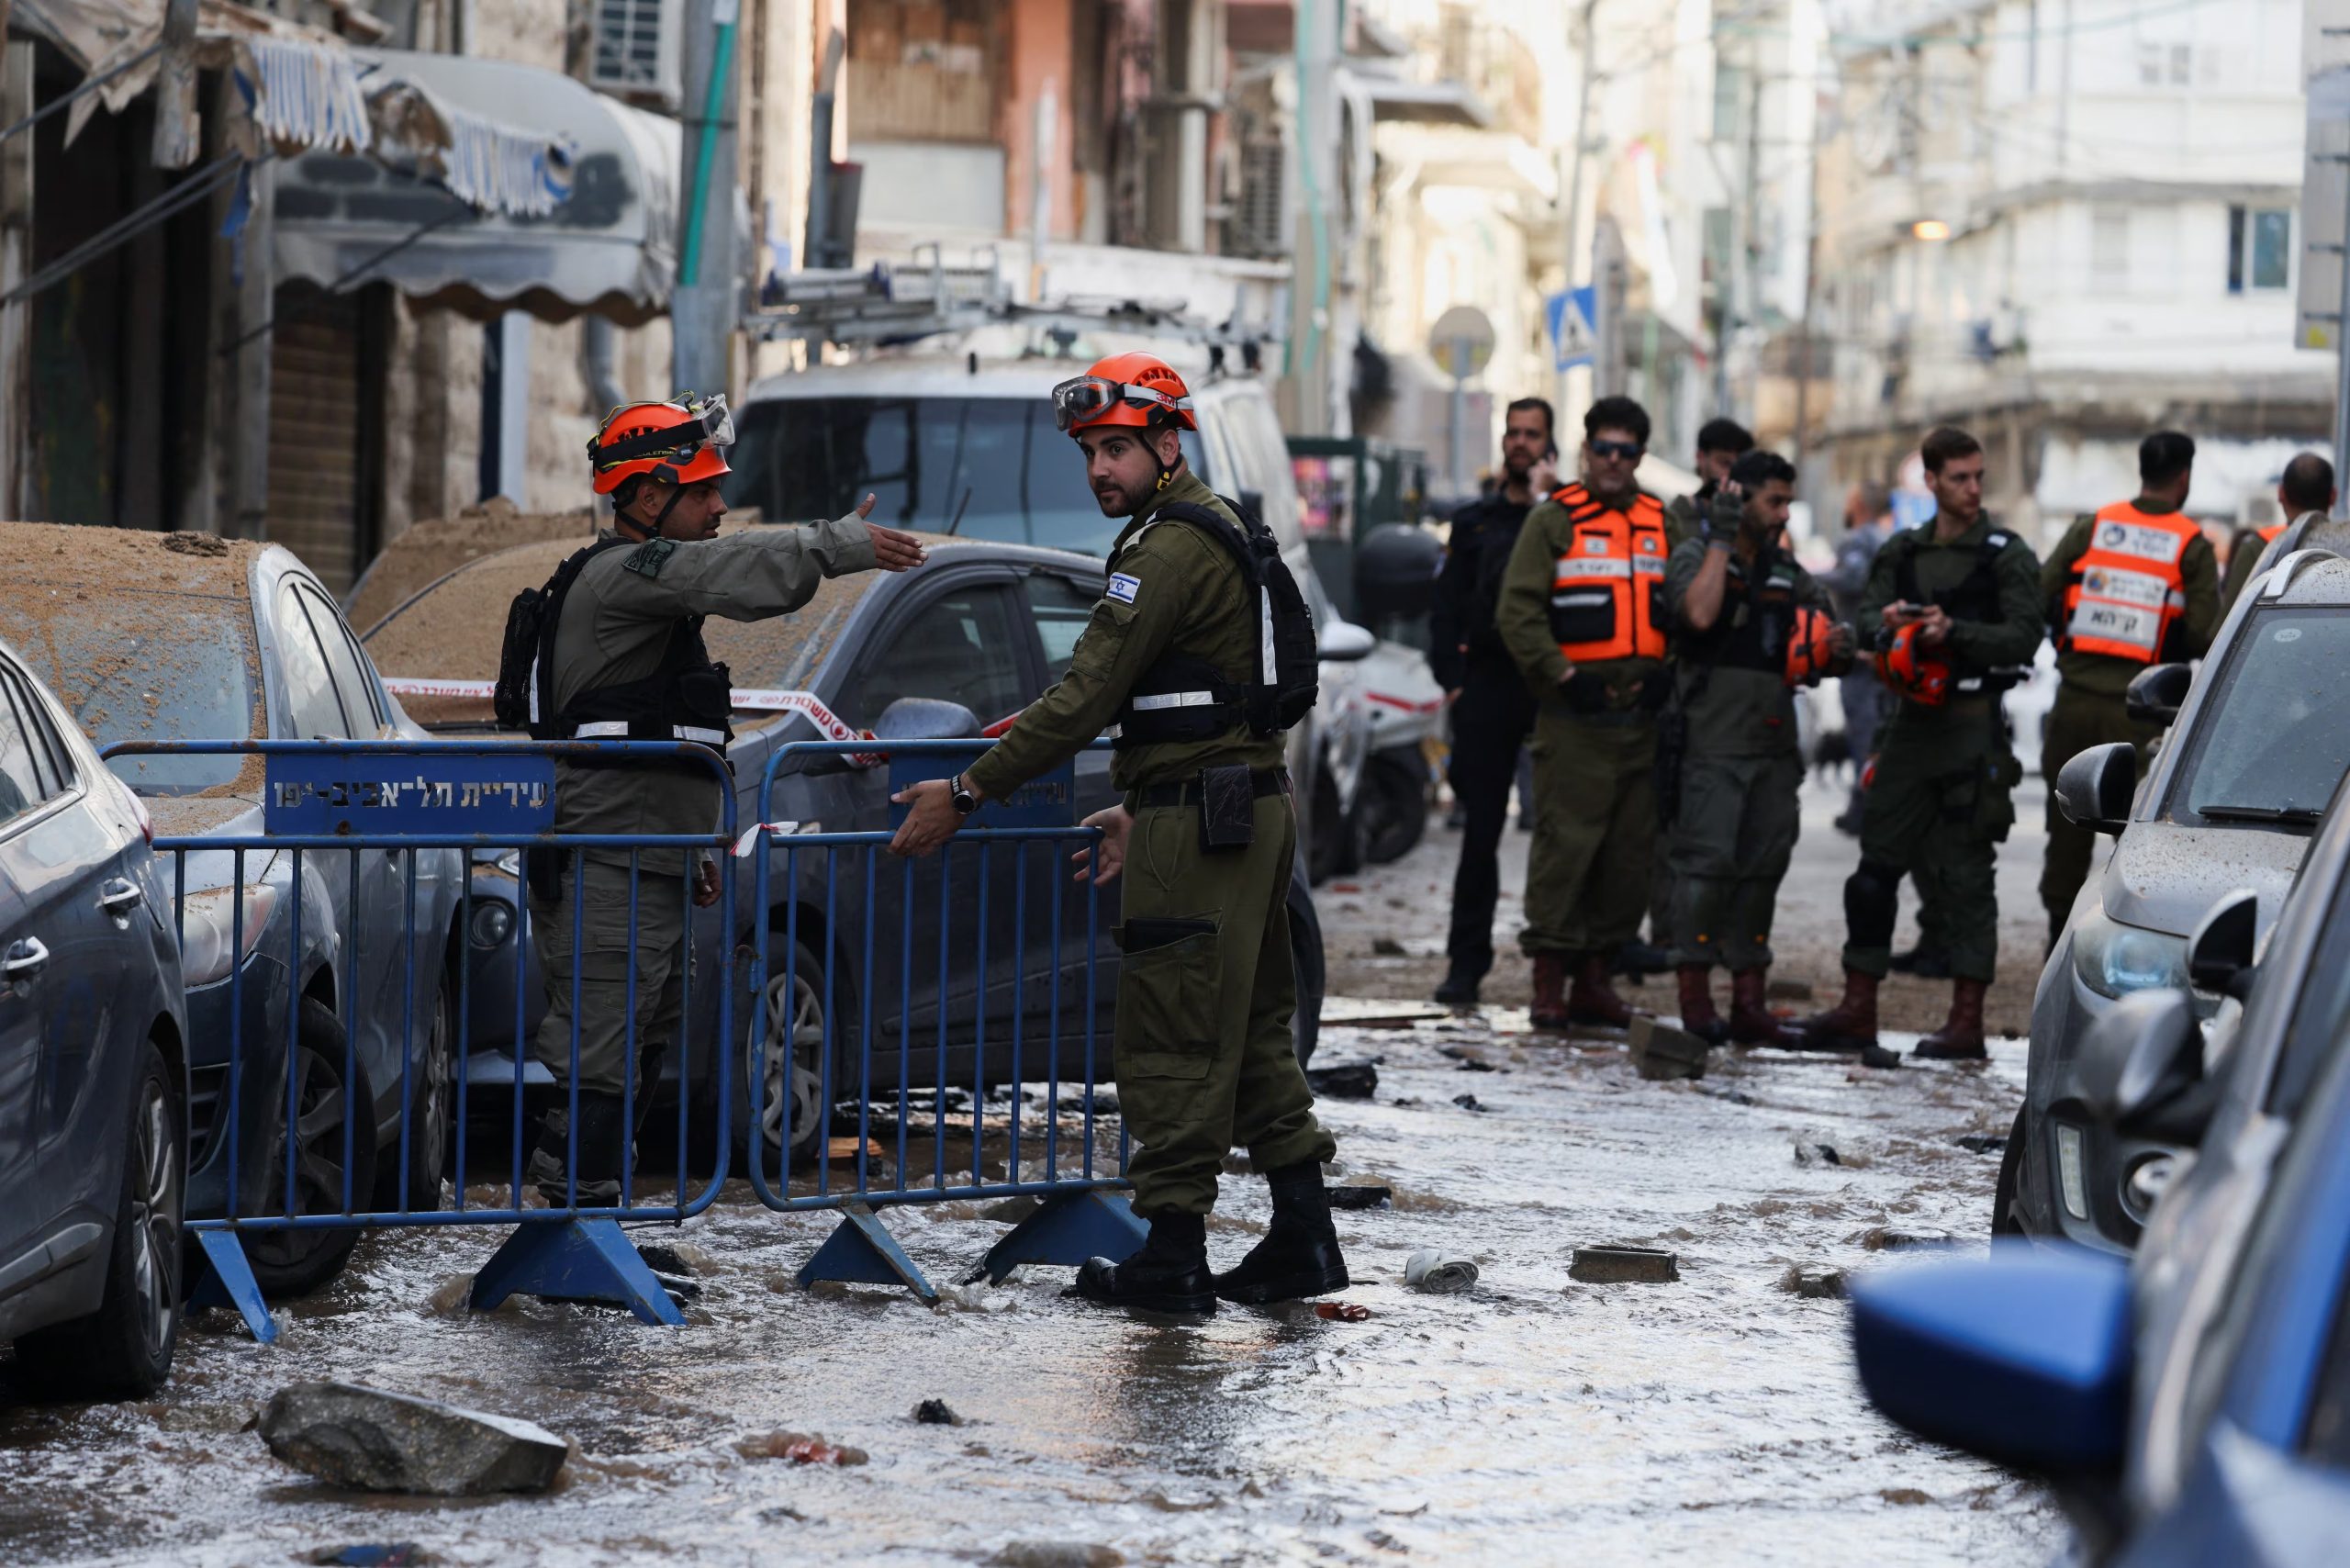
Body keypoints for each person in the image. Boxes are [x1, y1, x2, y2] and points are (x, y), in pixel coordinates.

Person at [888, 352, 1345, 1317]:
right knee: (1257, 1029)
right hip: (1242, 807)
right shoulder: (1217, 523)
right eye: (1091, 452)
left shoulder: (1164, 548)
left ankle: (1170, 1257)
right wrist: (1144, 804)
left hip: (1206, 817)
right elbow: (1199, 699)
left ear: (1166, 444)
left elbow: (1083, 694)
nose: (1100, 469)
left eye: (1117, 449)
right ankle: (1302, 1233)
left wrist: (965, 791)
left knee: (1171, 1030)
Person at [522, 395, 925, 1204]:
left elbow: (674, 735)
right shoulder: (622, 574)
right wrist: (833, 542)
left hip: (649, 858)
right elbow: (729, 573)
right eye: (702, 491)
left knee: (638, 1040)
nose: (718, 506)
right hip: (606, 861)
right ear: (645, 497)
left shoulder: (652, 596)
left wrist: (701, 842)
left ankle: (597, 1229)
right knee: (602, 1048)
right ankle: (567, 1235)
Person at [1795, 427, 2042, 1065]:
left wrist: (1953, 630)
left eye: (1978, 477)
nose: (1972, 488)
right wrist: (1897, 624)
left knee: (1966, 879)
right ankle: (1858, 1009)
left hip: (1970, 727)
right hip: (1908, 725)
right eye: (1959, 477)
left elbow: (2022, 637)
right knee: (1875, 872)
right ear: (1929, 481)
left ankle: (1966, 1023)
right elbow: (1867, 619)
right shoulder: (1901, 550)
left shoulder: (2003, 554)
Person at [1662, 451, 1852, 1045]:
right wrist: (1721, 536)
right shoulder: (1698, 555)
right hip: (1712, 746)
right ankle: (1696, 1002)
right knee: (1705, 871)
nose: (1781, 515)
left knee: (1762, 870)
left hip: (1772, 747)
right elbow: (1698, 612)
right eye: (1772, 502)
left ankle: (1749, 1004)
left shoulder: (1784, 569)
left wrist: (1836, 646)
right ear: (1739, 499)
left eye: (1787, 503)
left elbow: (1825, 631)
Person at [1494, 395, 1670, 1032]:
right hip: (1574, 720)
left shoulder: (1661, 519)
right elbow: (1517, 611)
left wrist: (1666, 674)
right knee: (1565, 851)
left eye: (1627, 451)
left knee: (1627, 859)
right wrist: (1563, 675)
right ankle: (1549, 986)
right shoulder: (1555, 520)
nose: (1614, 461)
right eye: (1604, 448)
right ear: (1585, 450)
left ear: (1640, 456)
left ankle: (1596, 982)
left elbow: (1680, 609)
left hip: (1639, 722)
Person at [2037, 431, 2218, 949]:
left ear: (2142, 470)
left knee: (2066, 830)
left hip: (2073, 703)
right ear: (2184, 477)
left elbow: (2042, 590)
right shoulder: (2191, 544)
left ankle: (2057, 940)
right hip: (2143, 710)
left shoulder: (2094, 526)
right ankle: (2129, 944)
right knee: (2137, 838)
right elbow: (2207, 631)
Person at [1430, 397, 1558, 1006]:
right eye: (1513, 433)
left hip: (1551, 684)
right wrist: (1451, 678)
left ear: (1548, 447)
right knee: (1480, 833)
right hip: (1486, 684)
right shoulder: (1474, 521)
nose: (1520, 444)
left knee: (1562, 829)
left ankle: (1561, 970)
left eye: (1532, 435)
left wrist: (1547, 501)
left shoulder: (1562, 517)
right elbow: (1445, 604)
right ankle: (1465, 966)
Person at [1639, 417, 1756, 969]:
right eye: (1719, 458)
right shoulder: (1680, 515)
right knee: (1668, 814)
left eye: (1736, 459)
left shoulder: (1758, 519)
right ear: (1701, 458)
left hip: (1731, 689)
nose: (1726, 469)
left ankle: (1709, 936)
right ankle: (1665, 932)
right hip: (1677, 674)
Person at [1819, 484, 1893, 838]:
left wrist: (1809, 576)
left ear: (1860, 504)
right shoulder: (1886, 539)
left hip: (1860, 655)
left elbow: (1851, 577)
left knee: (1864, 735)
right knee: (1872, 733)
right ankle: (1859, 807)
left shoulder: (1859, 540)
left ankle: (1868, 811)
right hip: (1879, 653)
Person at [2220, 453, 2336, 616]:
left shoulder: (2259, 547)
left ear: (2281, 494)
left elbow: (2226, 624)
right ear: (2333, 496)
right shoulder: (2343, 546)